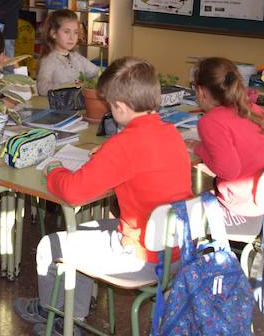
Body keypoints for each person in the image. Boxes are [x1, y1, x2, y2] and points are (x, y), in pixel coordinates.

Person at [14, 57, 193, 334]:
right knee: (81, 231)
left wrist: (54, 171)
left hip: (142, 257)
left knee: (51, 246)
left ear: (120, 107)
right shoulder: (170, 133)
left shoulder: (124, 144)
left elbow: (73, 193)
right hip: (177, 250)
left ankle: (62, 322)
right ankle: (71, 312)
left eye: (110, 105)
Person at [191, 57, 264, 233]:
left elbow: (229, 171)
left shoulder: (211, 121)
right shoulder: (252, 108)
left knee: (169, 217)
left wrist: (199, 148)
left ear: (201, 91)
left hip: (239, 213)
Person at [35, 9, 100, 96]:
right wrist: (70, 87)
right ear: (53, 33)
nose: (72, 37)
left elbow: (97, 73)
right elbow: (42, 88)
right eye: (67, 32)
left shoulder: (76, 57)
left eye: (76, 32)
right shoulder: (48, 60)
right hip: (59, 108)